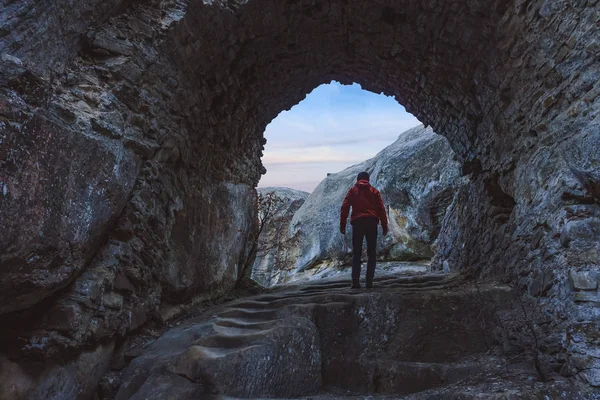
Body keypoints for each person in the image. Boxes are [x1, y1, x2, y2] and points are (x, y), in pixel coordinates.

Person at [339, 171, 388, 289]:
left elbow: (345, 207)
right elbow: (381, 209)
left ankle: (355, 282)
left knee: (357, 253)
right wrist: (385, 225)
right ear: (368, 179)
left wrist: (343, 225)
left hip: (358, 223)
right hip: (372, 222)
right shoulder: (374, 191)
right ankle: (369, 282)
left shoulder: (352, 191)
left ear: (357, 179)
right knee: (372, 253)